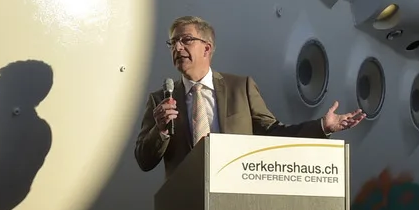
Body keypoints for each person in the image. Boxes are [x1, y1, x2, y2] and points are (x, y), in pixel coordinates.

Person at [134, 15, 365, 174]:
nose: (177, 48)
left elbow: (273, 132)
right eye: (173, 42)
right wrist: (161, 129)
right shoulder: (161, 100)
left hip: (235, 198)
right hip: (185, 207)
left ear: (207, 48)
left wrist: (322, 126)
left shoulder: (240, 88)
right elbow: (144, 161)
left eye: (186, 40)